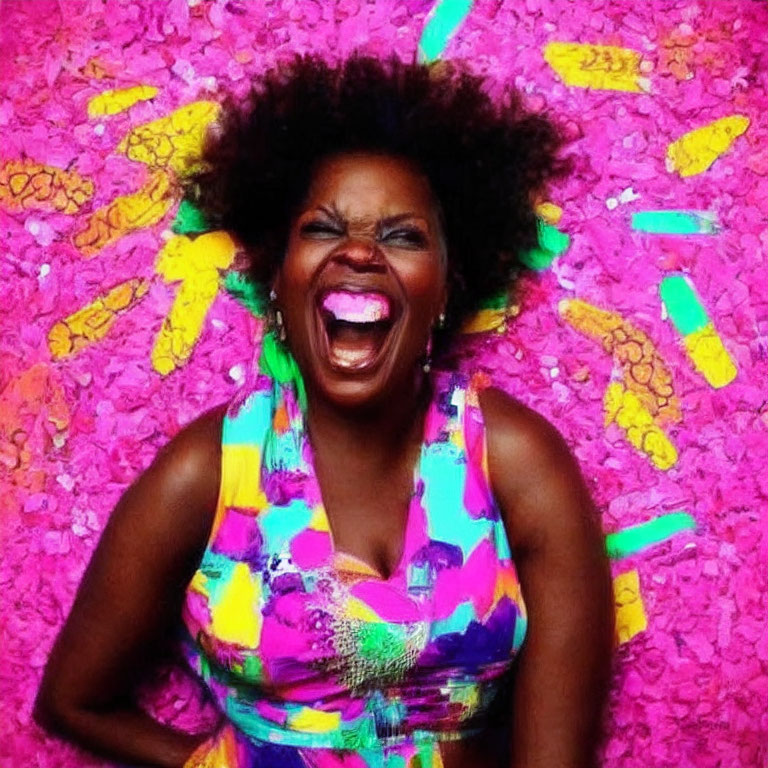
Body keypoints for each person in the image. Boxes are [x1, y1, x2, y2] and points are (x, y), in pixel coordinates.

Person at [35, 55, 613, 768]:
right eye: (323, 229)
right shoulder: (209, 469)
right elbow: (72, 699)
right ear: (278, 279)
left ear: (446, 290)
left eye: (403, 235)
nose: (362, 252)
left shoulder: (516, 460)